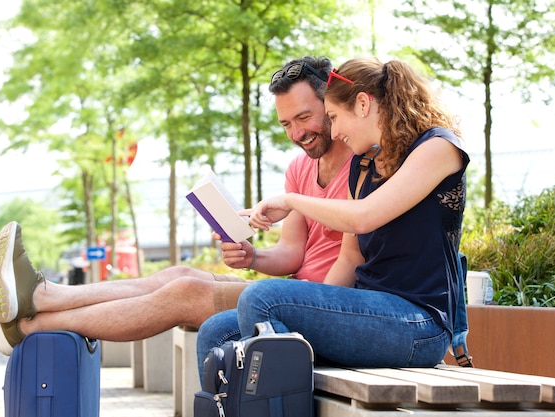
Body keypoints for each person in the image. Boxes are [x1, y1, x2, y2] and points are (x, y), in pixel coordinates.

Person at [0, 56, 353, 356]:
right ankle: (45, 295)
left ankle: (29, 323)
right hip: (293, 292)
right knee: (177, 274)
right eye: (286, 124)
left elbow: (349, 267)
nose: (295, 134)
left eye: (304, 118)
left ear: (331, 104)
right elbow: (292, 253)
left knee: (185, 292)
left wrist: (314, 313)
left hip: (313, 304)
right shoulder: (300, 167)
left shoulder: (361, 164)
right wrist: (253, 257)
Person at [197, 57, 470, 371]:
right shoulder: (364, 165)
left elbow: (363, 216)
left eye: (335, 117)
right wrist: (316, 307)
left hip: (418, 323)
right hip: (368, 312)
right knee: (216, 332)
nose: (336, 131)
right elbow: (350, 259)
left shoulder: (438, 148)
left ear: (364, 104)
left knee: (262, 298)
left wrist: (291, 201)